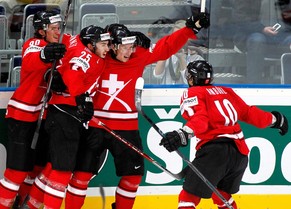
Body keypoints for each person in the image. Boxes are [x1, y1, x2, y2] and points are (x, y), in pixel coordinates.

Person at [65, 12, 209, 209]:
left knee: (133, 177)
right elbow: (76, 52)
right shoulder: (99, 56)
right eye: (124, 46)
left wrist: (189, 29)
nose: (129, 51)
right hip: (96, 125)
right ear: (112, 45)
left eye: (131, 46)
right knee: (81, 175)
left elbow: (165, 48)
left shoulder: (138, 55)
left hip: (126, 127)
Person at [159, 60, 289, 209]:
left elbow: (201, 119)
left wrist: (182, 134)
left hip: (215, 152)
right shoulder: (226, 91)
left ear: (192, 78)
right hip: (239, 154)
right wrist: (275, 120)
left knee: (188, 197)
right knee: (221, 195)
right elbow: (248, 112)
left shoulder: (192, 92)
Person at [23, 25, 111, 209]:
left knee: (54, 168)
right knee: (62, 171)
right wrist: (81, 97)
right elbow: (73, 71)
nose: (107, 48)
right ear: (90, 44)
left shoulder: (82, 46)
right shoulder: (84, 56)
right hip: (64, 113)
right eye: (103, 44)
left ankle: (31, 205)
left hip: (68, 114)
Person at [0, 10, 66, 209]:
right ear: (41, 30)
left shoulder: (60, 49)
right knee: (17, 171)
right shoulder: (35, 44)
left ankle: (23, 204)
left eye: (59, 28)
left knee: (37, 169)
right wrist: (46, 54)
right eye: (53, 28)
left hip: (44, 117)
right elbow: (31, 60)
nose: (58, 32)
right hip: (22, 115)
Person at [232, 0, 291, 83]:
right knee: (257, 40)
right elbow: (239, 17)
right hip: (253, 32)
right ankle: (254, 85)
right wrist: (261, 28)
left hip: (282, 34)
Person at [153, 20, 205, 84]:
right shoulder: (167, 55)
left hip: (186, 93)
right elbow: (157, 75)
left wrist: (181, 59)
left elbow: (190, 82)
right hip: (166, 92)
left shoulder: (197, 59)